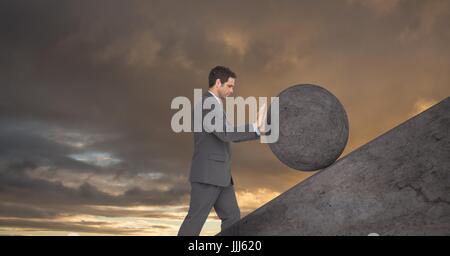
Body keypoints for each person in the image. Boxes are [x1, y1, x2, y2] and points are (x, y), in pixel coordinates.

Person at [178, 66, 266, 236]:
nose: (232, 90)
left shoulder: (214, 105)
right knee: (195, 220)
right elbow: (226, 134)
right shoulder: (207, 104)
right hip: (208, 175)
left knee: (232, 217)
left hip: (220, 176)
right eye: (230, 86)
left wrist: (257, 129)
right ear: (218, 83)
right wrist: (256, 128)